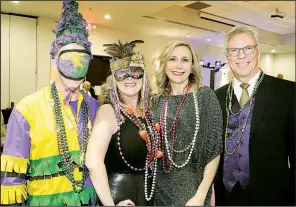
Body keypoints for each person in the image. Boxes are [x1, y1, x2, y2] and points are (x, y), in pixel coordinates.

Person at [0, 0, 99, 205]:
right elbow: (12, 181)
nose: (75, 66)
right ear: (54, 60)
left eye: (82, 60)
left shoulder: (93, 107)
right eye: (68, 59)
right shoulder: (27, 109)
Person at [214, 25, 295, 206]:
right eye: (234, 50)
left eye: (248, 48)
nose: (241, 55)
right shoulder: (216, 97)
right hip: (225, 198)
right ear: (227, 56)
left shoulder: (288, 93)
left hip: (273, 198)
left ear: (258, 51)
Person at [86, 40, 161, 206]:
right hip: (120, 197)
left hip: (148, 197)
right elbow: (92, 162)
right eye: (122, 74)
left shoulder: (148, 112)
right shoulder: (109, 111)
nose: (130, 79)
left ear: (143, 77)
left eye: (135, 73)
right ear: (114, 79)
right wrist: (110, 204)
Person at [153, 40, 223, 206]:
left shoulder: (205, 97)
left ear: (192, 66)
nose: (178, 66)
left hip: (193, 190)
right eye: (172, 59)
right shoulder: (156, 100)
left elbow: (214, 152)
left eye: (185, 60)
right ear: (164, 64)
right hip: (159, 189)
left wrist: (201, 194)